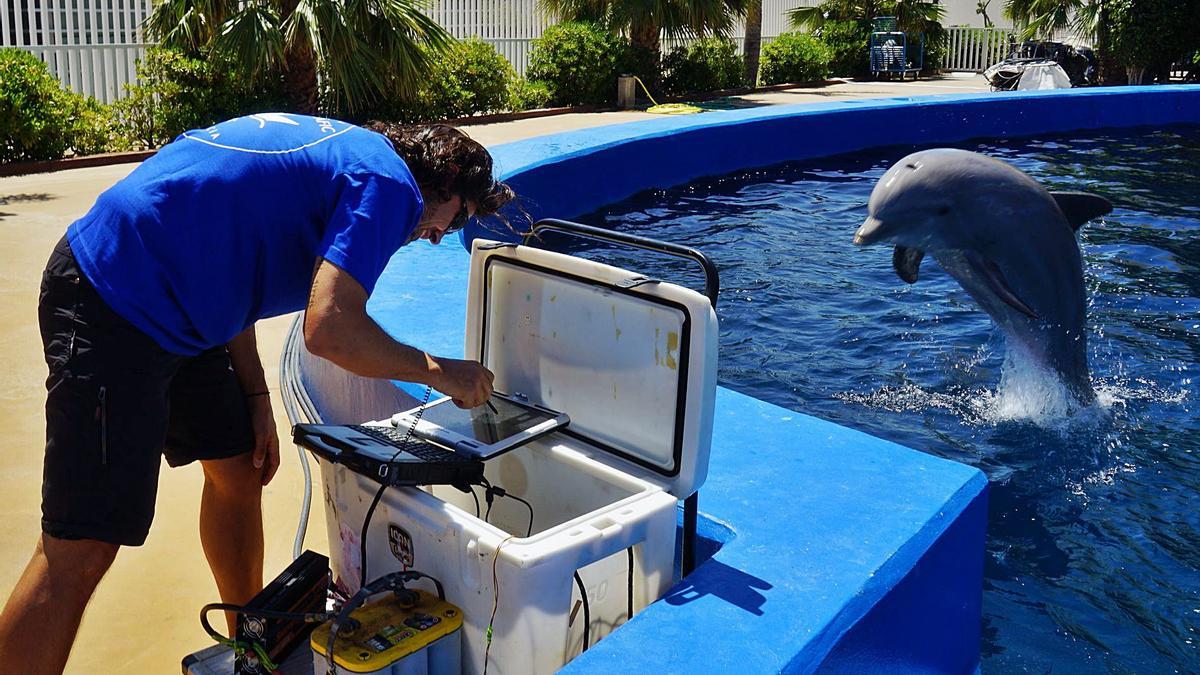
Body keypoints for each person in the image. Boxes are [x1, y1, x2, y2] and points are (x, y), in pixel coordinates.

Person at [0, 114, 513, 674]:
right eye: (454, 217)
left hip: (179, 301)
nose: (438, 235)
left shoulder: (351, 155)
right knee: (79, 550)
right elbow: (330, 327)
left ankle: (249, 648)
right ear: (441, 181)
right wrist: (441, 371)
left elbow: (231, 258)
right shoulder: (391, 184)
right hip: (114, 296)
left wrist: (255, 397)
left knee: (239, 470)